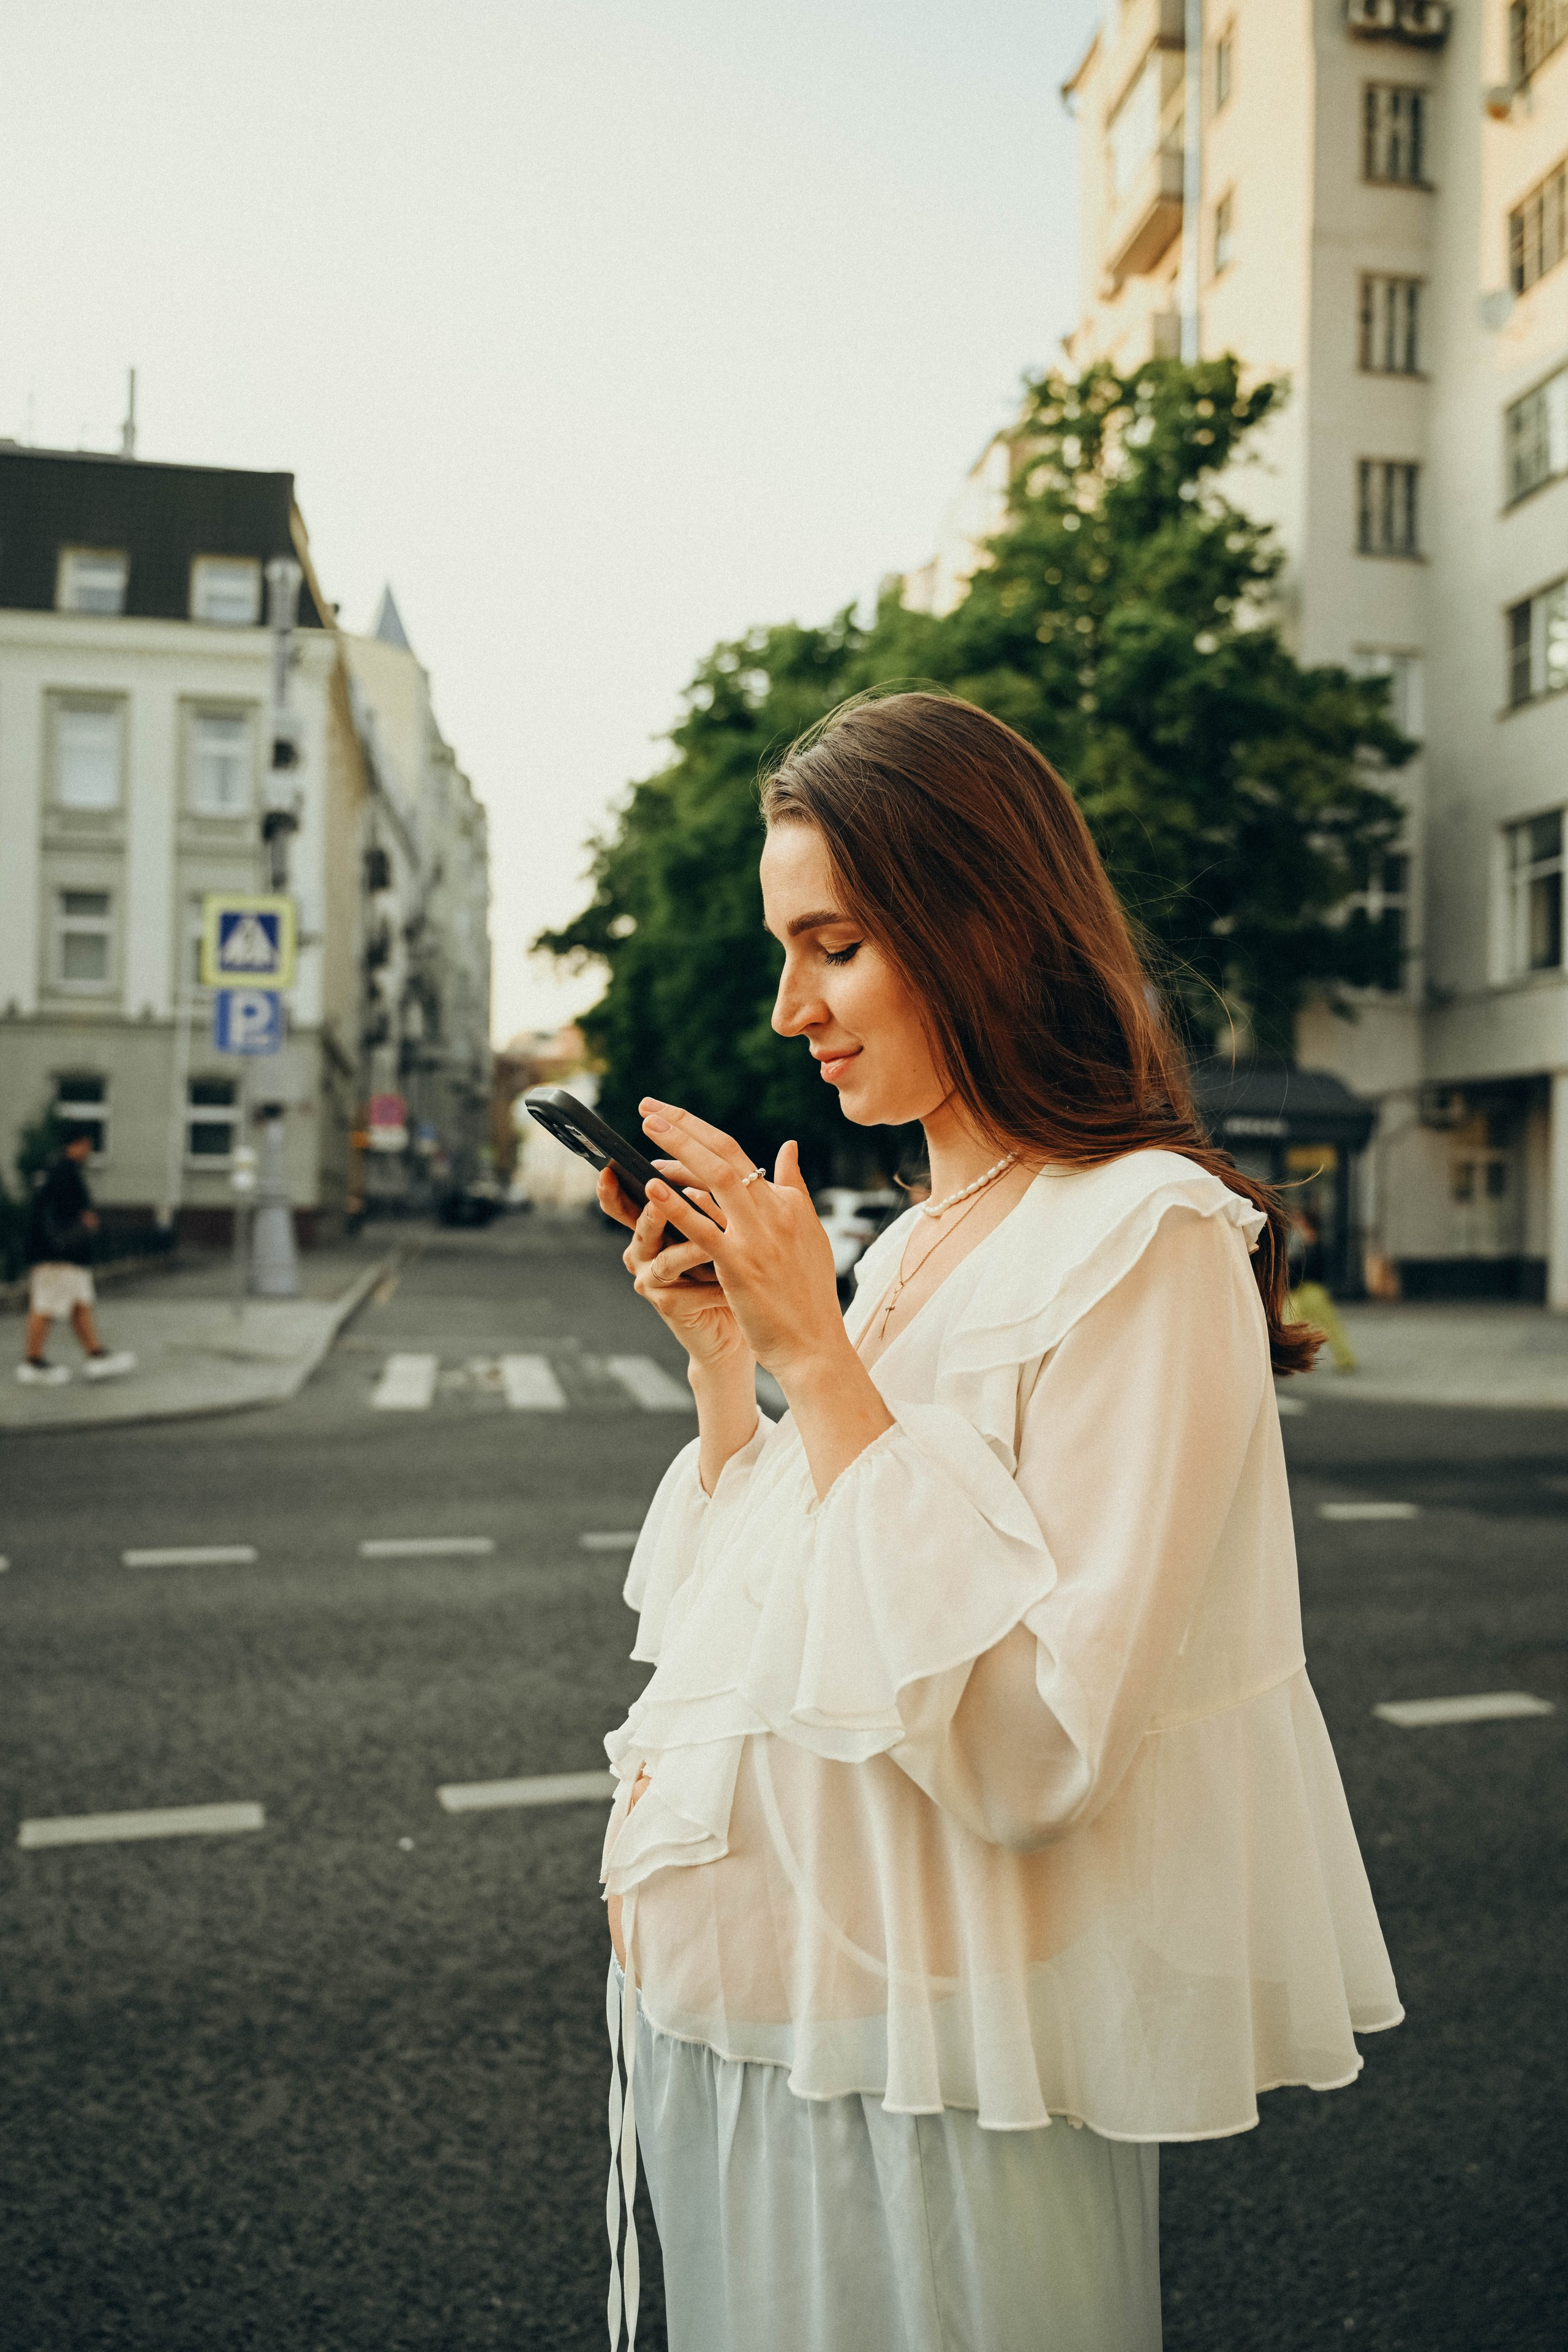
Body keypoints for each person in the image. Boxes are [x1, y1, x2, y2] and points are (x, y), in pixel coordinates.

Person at [596, 693, 1401, 2352]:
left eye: (831, 947)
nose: (788, 1009)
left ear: (976, 923)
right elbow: (788, 1615)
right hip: (763, 2067)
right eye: (783, 951)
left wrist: (820, 1358)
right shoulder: (907, 1243)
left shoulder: (1145, 1237)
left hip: (930, 2106)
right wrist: (735, 1363)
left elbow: (1039, 1748)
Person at [16, 1126, 136, 1386]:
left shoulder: (53, 1170)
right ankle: (32, 1363)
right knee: (45, 1306)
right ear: (78, 1143)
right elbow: (74, 1213)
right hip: (59, 1255)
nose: (89, 1151)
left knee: (80, 1303)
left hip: (60, 1253)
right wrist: (85, 1223)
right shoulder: (64, 1172)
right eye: (87, 1145)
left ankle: (96, 1356)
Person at [1287, 1207, 1357, 1373]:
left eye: (1300, 1222)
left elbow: (1304, 1268)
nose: (1296, 1226)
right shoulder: (1303, 1244)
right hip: (1302, 1291)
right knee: (1293, 1326)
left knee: (1323, 1326)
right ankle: (1290, 1360)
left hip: (1311, 1291)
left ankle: (1345, 1358)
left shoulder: (1312, 1245)